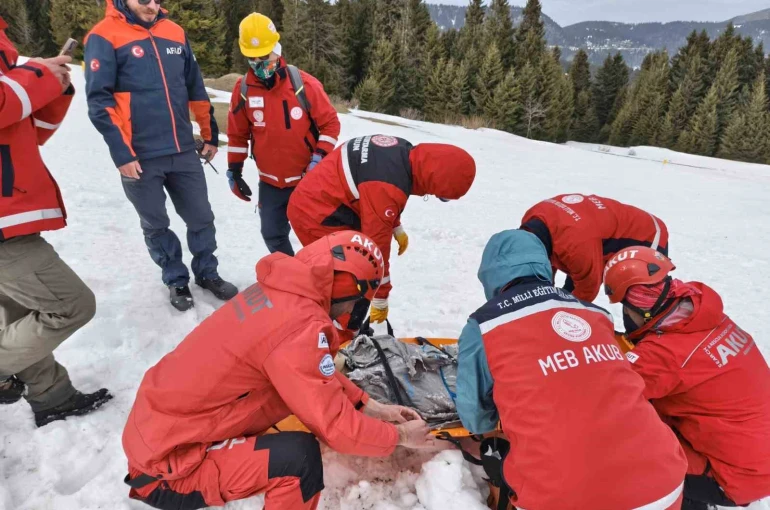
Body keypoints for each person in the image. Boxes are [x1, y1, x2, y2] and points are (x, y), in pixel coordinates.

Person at [122, 231, 434, 510]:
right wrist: (402, 436)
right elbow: (337, 429)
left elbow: (312, 372)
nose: (352, 311)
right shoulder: (299, 327)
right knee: (299, 461)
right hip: (168, 469)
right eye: (356, 302)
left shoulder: (279, 294)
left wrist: (370, 406)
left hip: (159, 432)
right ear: (345, 286)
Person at [455, 229, 687, 510]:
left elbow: (475, 419)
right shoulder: (596, 314)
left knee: (497, 454)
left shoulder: (485, 325)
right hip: (663, 481)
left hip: (564, 497)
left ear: (489, 275)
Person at [84, 0, 237, 312]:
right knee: (155, 223)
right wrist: (122, 154)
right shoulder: (103, 35)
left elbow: (195, 87)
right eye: (144, 0)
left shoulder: (175, 33)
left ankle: (207, 272)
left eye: (157, 0)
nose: (152, 6)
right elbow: (99, 102)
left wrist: (209, 134)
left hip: (182, 150)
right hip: (139, 156)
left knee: (201, 217)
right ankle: (176, 279)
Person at [0, 16, 112, 426]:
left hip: (11, 207)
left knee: (18, 311)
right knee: (72, 305)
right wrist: (36, 75)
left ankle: (52, 396)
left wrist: (54, 87)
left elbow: (26, 131)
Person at [603, 246, 770, 510]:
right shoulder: (701, 315)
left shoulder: (662, 354)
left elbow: (605, 397)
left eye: (625, 306)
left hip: (737, 475)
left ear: (639, 308)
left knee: (620, 450)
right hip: (755, 451)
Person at [287, 135, 476, 327]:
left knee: (346, 279)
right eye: (440, 194)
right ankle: (335, 334)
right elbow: (375, 246)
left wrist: (396, 226)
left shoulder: (402, 151)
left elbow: (377, 192)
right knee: (351, 282)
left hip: (323, 200)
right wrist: (380, 296)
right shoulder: (387, 187)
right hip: (316, 214)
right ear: (435, 179)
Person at [226, 12, 341, 256]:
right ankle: (293, 273)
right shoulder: (243, 89)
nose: (259, 63)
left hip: (306, 180)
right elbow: (237, 135)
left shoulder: (304, 85)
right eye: (252, 58)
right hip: (270, 183)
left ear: (276, 50)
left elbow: (331, 124)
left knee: (317, 236)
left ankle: (328, 274)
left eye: (264, 56)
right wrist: (234, 170)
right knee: (272, 235)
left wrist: (319, 157)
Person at [520, 193, 668, 302]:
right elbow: (543, 268)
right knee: (569, 291)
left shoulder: (576, 245)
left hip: (647, 235)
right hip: (588, 234)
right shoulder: (533, 217)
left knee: (637, 300)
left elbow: (588, 288)